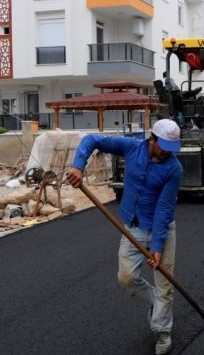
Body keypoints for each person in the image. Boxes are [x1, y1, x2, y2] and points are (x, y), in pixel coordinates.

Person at [66, 119, 183, 355]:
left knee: (165, 284)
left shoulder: (174, 169)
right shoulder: (131, 147)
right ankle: (155, 302)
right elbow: (92, 140)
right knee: (127, 278)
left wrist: (157, 247)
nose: (167, 153)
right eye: (163, 147)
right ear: (152, 139)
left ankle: (162, 330)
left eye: (172, 148)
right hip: (133, 227)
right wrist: (78, 166)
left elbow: (163, 210)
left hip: (162, 229)